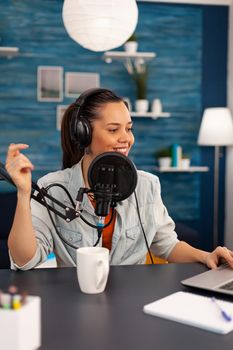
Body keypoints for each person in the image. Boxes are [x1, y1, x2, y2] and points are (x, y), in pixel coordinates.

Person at [6, 88, 233, 270]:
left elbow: (167, 245)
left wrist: (206, 256)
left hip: (131, 299)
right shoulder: (53, 188)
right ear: (84, 134)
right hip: (75, 299)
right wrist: (23, 193)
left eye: (129, 128)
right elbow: (26, 260)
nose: (126, 139)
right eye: (114, 130)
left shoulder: (147, 185)